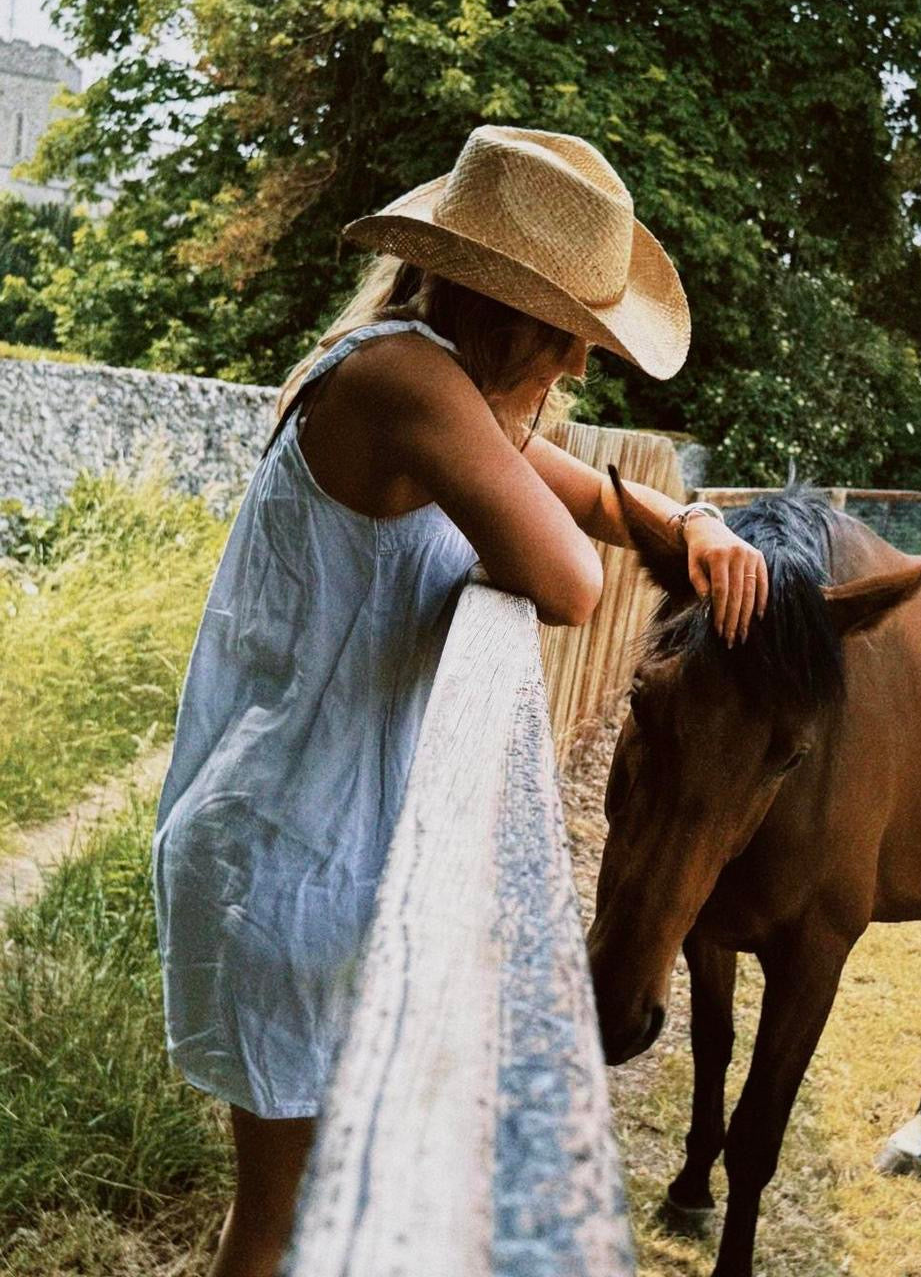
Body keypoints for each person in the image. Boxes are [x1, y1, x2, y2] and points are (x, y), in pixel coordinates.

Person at [150, 124, 770, 1277]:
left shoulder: (414, 375)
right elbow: (570, 579)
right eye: (567, 337)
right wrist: (584, 494)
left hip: (317, 845)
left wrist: (692, 521)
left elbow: (588, 493)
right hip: (295, 859)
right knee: (285, 1225)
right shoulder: (406, 382)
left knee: (316, 1221)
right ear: (504, 307)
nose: (578, 370)